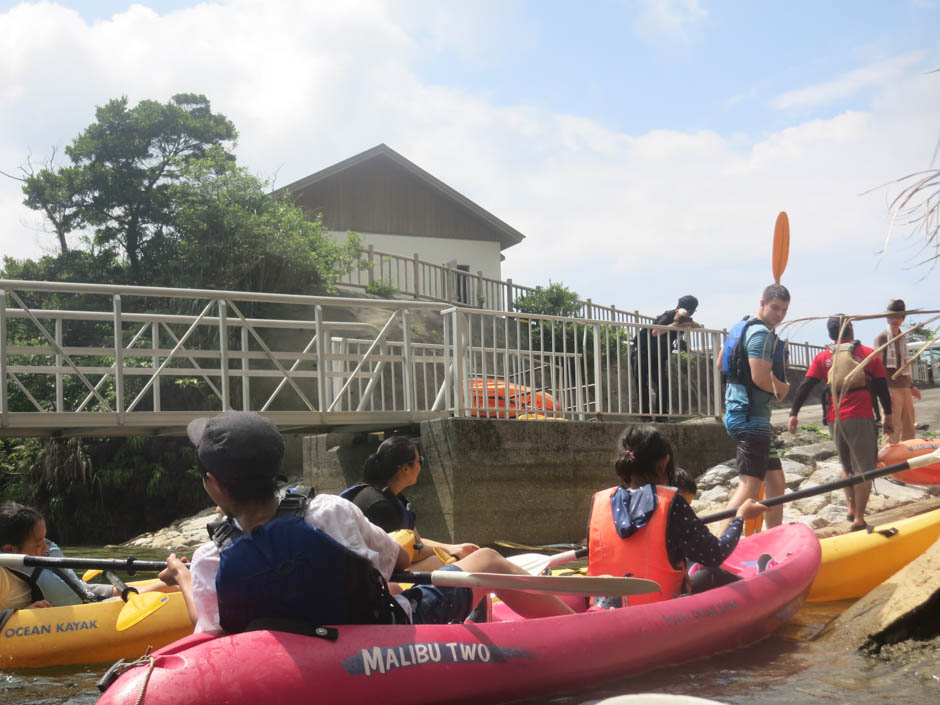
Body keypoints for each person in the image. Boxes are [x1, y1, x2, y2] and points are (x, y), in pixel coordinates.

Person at [158, 411, 572, 633]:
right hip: (380, 633)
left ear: (213, 486)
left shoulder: (210, 557)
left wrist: (181, 575)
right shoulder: (329, 511)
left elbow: (206, 626)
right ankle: (588, 629)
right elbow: (400, 564)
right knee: (487, 560)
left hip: (291, 646)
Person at [586, 425, 766, 605]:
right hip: (664, 608)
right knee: (712, 574)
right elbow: (715, 554)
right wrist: (740, 517)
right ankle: (762, 593)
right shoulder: (672, 504)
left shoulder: (600, 502)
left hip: (607, 606)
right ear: (664, 463)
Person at [788, 316, 894, 531]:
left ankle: (851, 508)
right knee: (864, 468)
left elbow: (805, 385)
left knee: (846, 466)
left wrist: (794, 413)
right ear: (851, 331)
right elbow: (882, 387)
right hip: (861, 415)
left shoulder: (824, 356)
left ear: (830, 334)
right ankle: (859, 519)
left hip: (834, 417)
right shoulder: (867, 353)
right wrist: (888, 415)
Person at [717, 284, 791, 535]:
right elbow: (760, 377)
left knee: (776, 481)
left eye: (783, 310)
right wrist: (783, 389)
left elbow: (720, 363)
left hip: (741, 414)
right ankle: (719, 542)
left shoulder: (741, 327)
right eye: (774, 308)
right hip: (751, 419)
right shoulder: (761, 334)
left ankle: (772, 536)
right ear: (762, 304)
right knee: (750, 485)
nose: (779, 315)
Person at [341, 437, 479, 570]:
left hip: (385, 564)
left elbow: (416, 542)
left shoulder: (394, 497)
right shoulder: (380, 506)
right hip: (369, 575)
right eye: (420, 460)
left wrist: (454, 548)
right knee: (438, 562)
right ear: (405, 468)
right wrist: (451, 552)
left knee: (444, 558)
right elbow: (405, 554)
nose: (420, 466)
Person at [0, 500, 118, 610]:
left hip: (83, 603)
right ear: (10, 550)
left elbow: (78, 588)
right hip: (59, 621)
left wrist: (113, 590)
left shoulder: (33, 560)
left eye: (44, 541)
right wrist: (24, 613)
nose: (46, 548)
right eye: (38, 545)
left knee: (131, 592)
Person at [632, 295, 703, 421]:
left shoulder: (685, 319)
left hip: (658, 355)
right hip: (642, 352)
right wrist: (675, 323)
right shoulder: (669, 315)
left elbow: (699, 328)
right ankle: (645, 416)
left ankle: (661, 415)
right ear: (692, 309)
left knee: (662, 384)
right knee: (642, 384)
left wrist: (689, 323)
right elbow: (655, 332)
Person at [874, 299, 921, 444]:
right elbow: (877, 365)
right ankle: (889, 460)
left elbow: (905, 363)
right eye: (892, 316)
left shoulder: (902, 337)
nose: (895, 320)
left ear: (903, 318)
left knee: (909, 427)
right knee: (892, 426)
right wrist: (883, 389)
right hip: (890, 387)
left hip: (904, 386)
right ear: (887, 318)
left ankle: (908, 459)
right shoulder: (882, 338)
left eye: (899, 317)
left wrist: (911, 386)